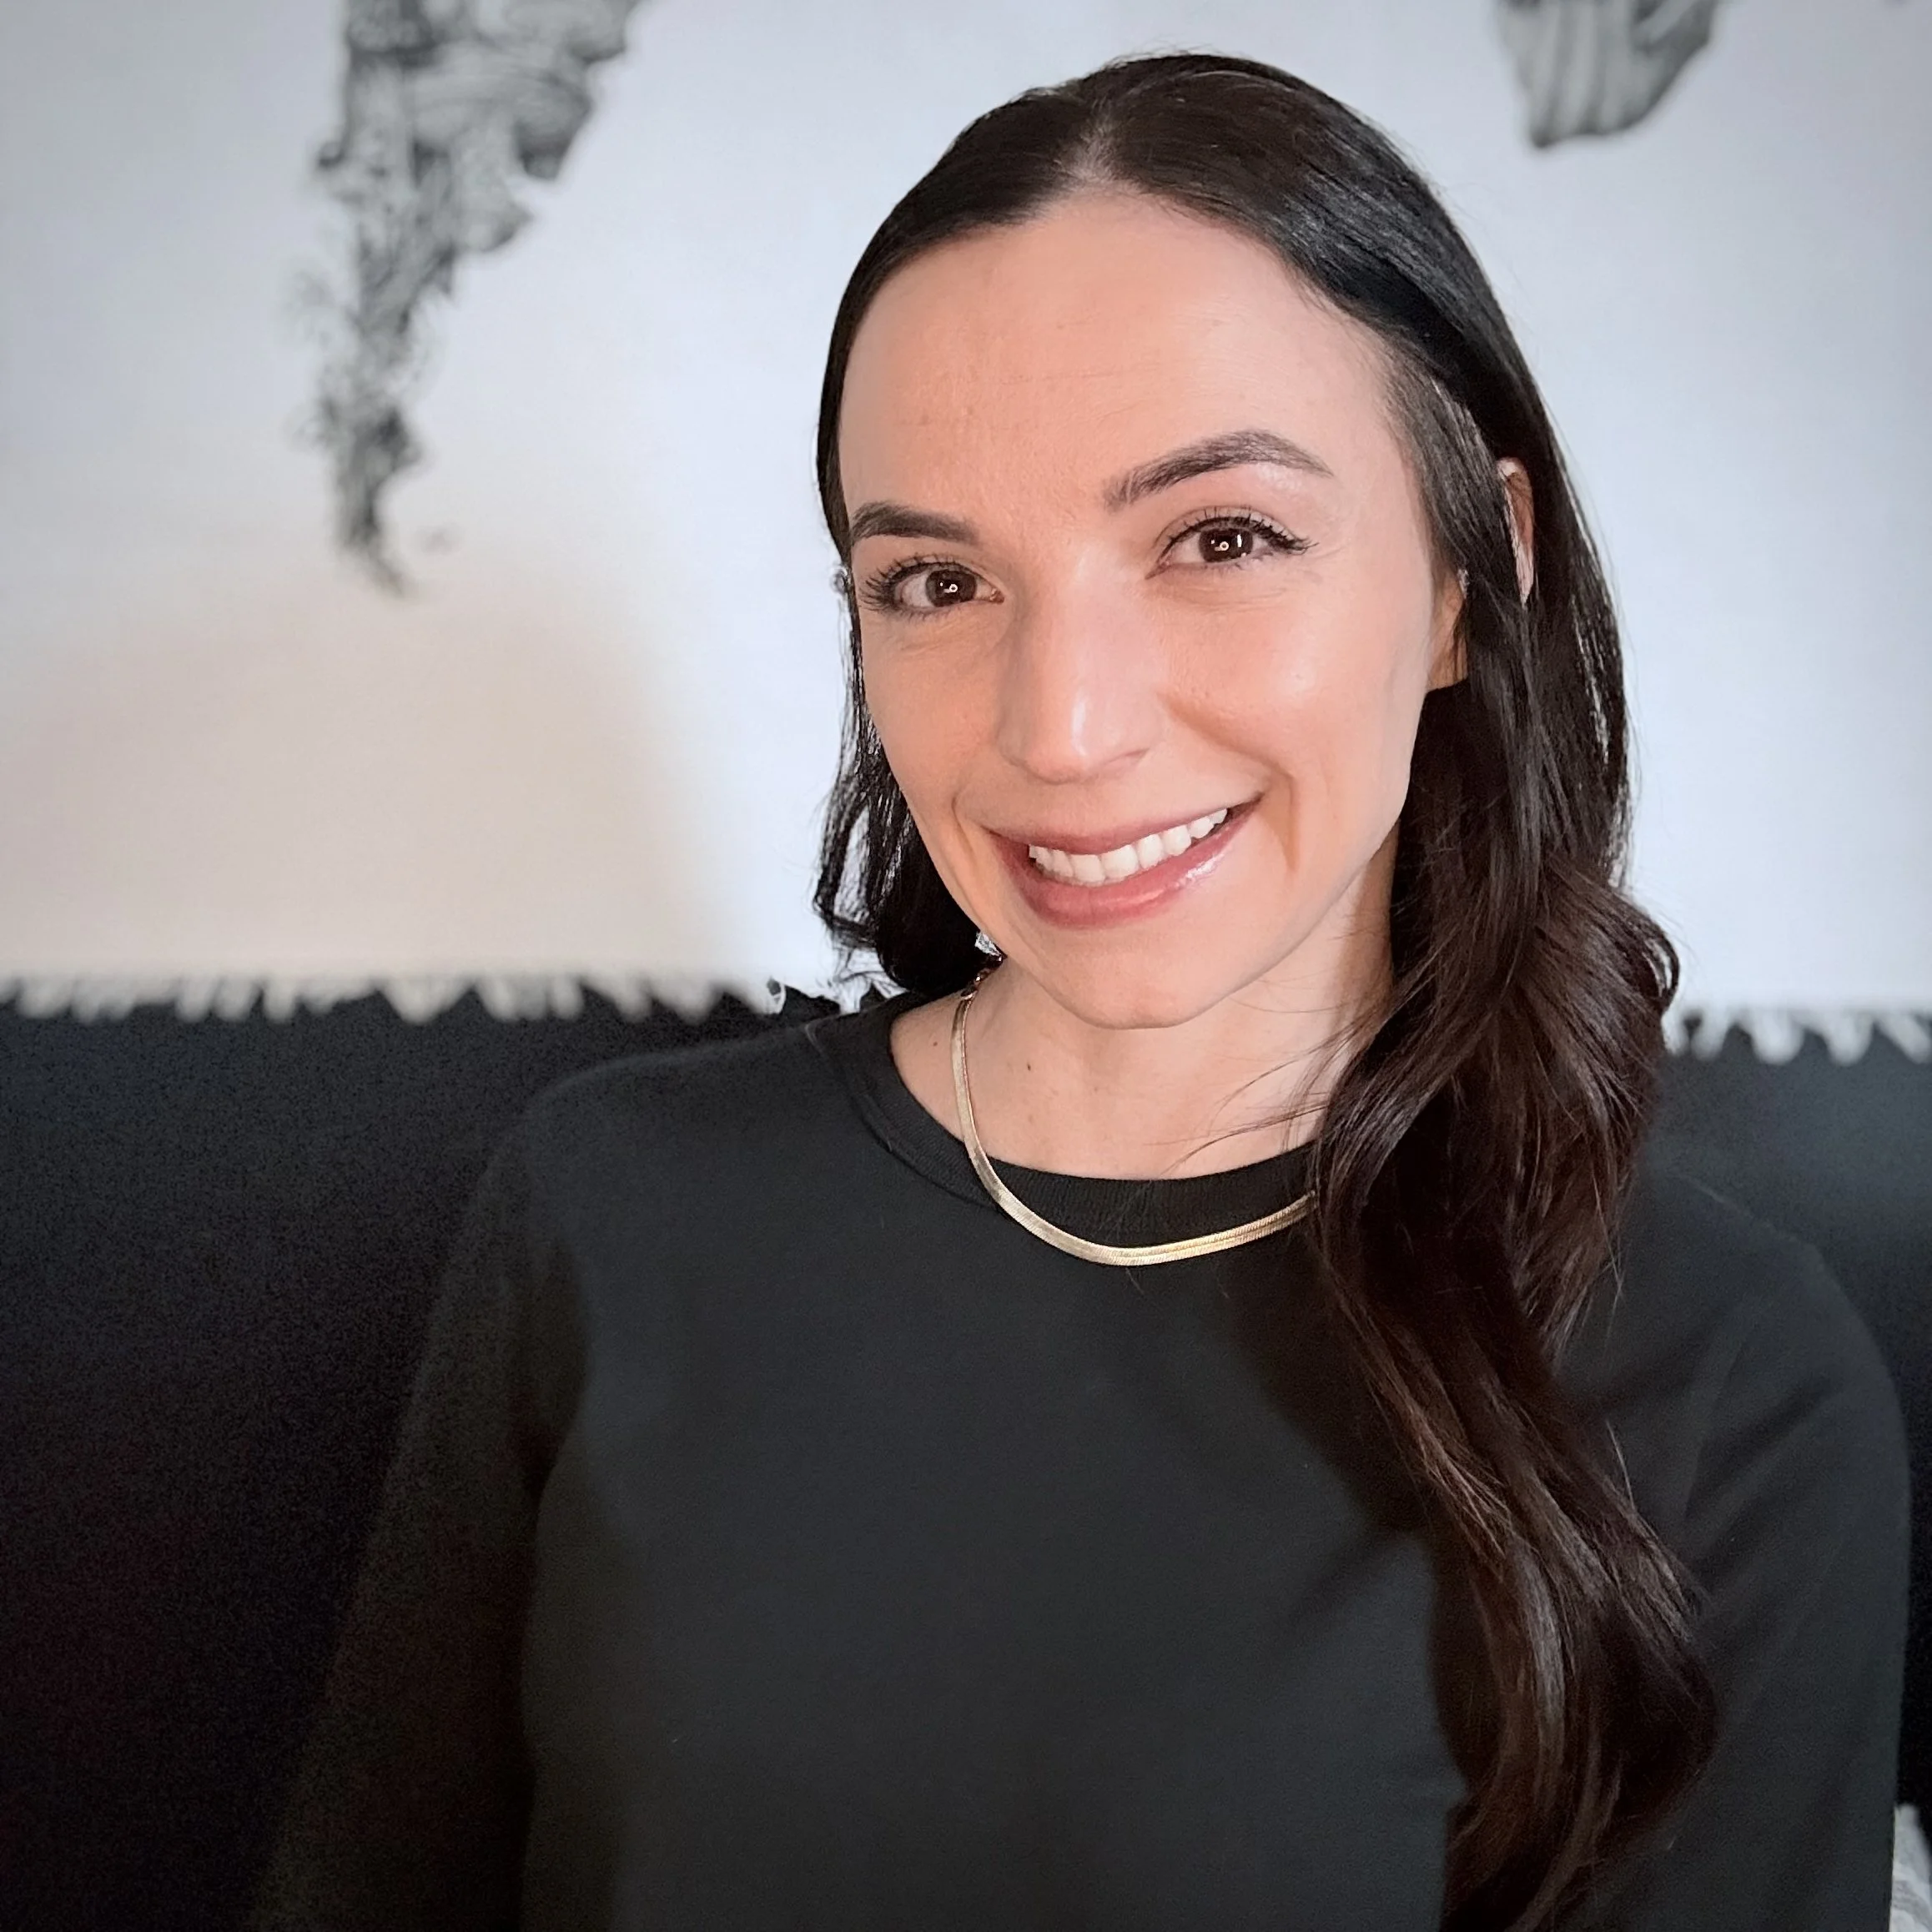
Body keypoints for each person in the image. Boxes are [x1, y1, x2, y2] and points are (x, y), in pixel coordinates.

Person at [250, 51, 1909, 1932]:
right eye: (938, 583)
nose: (1064, 730)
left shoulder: (1726, 1384)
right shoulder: (609, 1215)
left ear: (1472, 573)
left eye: (1220, 540)